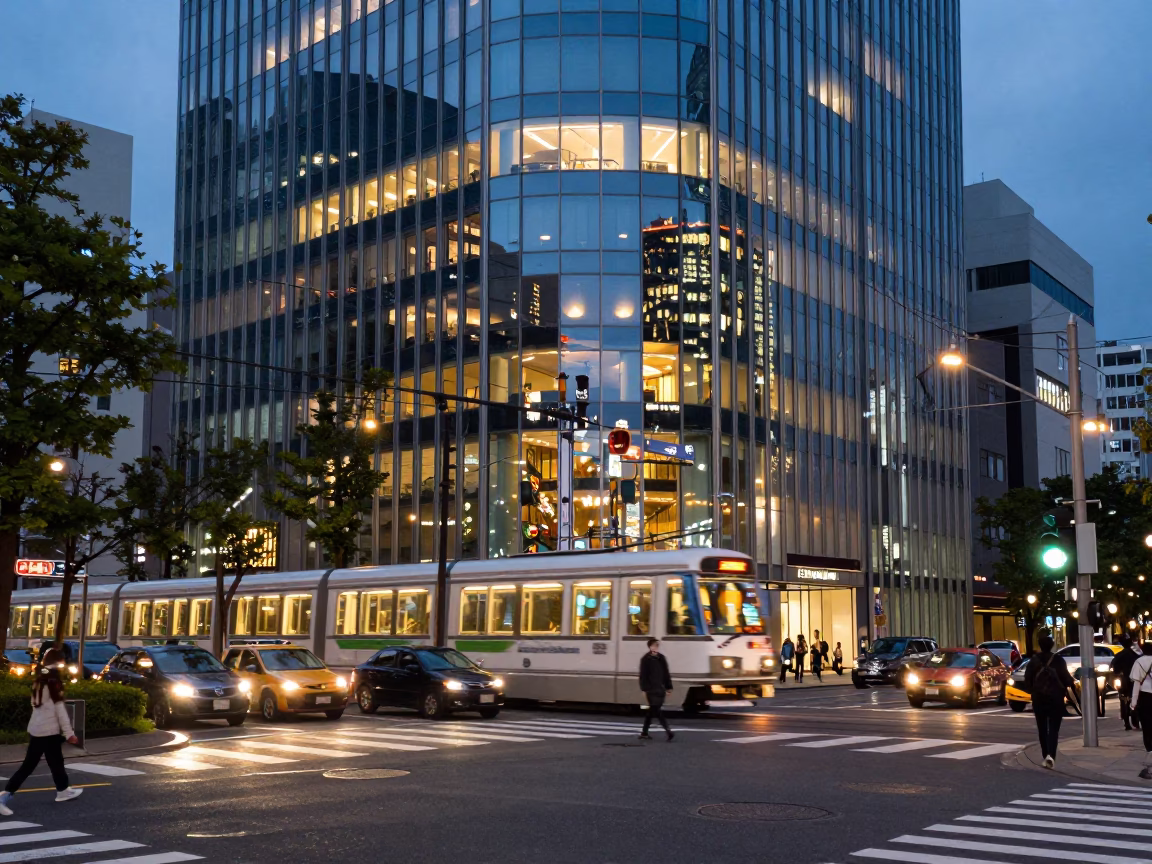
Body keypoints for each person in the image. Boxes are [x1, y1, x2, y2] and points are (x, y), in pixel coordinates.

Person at [0, 648, 83, 815]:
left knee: (54, 762)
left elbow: (36, 705)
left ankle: (63, 790)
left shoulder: (39, 680)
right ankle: (4, 796)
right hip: (48, 731)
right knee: (32, 765)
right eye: (62, 661)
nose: (64, 664)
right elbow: (60, 709)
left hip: (38, 728)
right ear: (58, 662)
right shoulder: (54, 682)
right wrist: (69, 734)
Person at [1024, 634, 1075, 770]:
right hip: (1056, 699)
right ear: (1052, 645)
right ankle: (1051, 755)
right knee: (1053, 728)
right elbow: (1067, 680)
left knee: (1042, 729)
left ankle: (1044, 754)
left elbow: (1027, 680)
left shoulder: (1033, 661)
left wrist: (1034, 691)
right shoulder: (1059, 660)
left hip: (1039, 699)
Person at [638, 638, 674, 742]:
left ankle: (644, 733)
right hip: (651, 689)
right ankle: (668, 731)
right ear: (650, 647)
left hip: (660, 688)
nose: (656, 647)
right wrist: (644, 689)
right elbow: (643, 676)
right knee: (657, 710)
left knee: (652, 711)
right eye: (654, 645)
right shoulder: (645, 659)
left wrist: (668, 687)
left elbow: (666, 673)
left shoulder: (661, 658)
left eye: (657, 645)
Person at [1128, 642, 1152, 778]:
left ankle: (1150, 754)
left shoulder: (1139, 662)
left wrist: (1133, 703)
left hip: (1145, 698)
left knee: (1147, 728)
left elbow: (1136, 684)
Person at [1113, 637, 1143, 731]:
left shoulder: (1118, 656)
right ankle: (1136, 721)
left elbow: (1115, 670)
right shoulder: (1135, 656)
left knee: (1123, 701)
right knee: (1135, 700)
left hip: (1123, 681)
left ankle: (1126, 722)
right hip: (1133, 681)